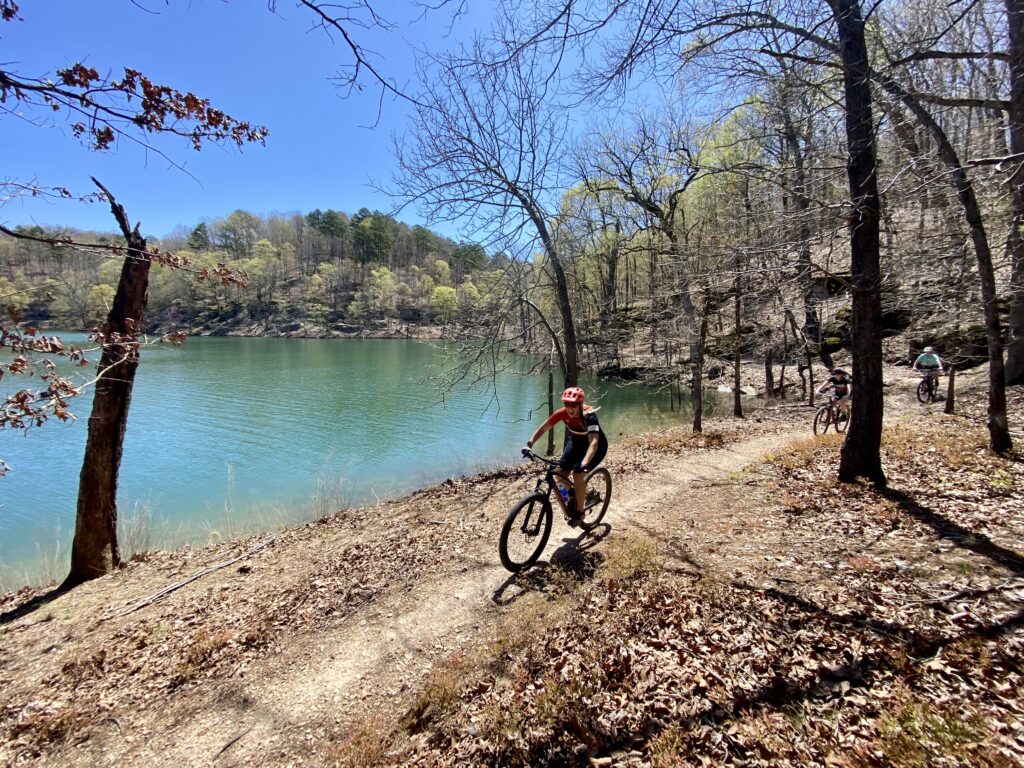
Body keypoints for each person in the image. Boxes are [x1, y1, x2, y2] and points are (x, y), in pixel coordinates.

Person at [522, 386, 608, 525]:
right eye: (567, 404)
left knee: (578, 474)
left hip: (596, 447)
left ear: (580, 404)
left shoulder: (589, 416)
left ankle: (580, 514)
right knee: (559, 474)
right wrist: (529, 444)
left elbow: (594, 443)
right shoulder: (562, 413)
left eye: (573, 405)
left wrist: (584, 463)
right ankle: (576, 494)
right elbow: (544, 427)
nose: (570, 408)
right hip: (576, 443)